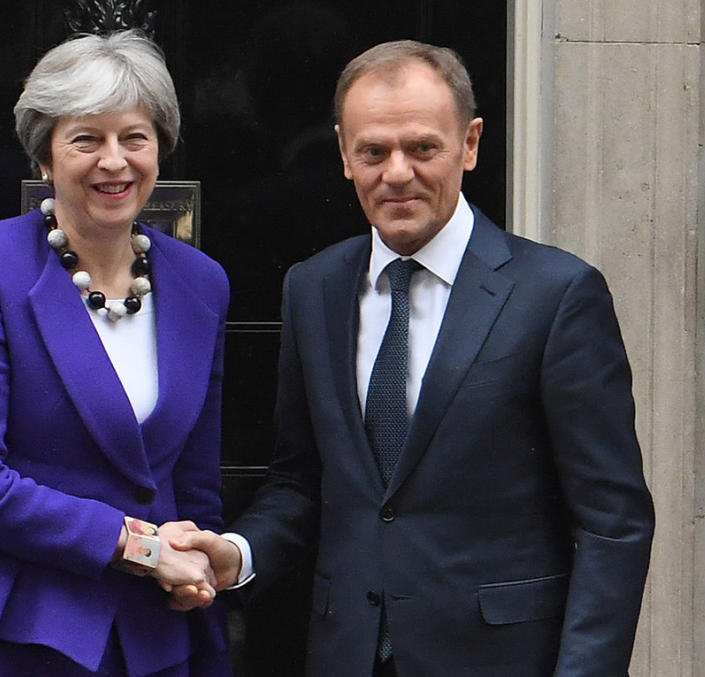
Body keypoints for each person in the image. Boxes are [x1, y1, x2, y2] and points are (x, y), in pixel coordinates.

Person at [173, 40, 656, 676]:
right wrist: (238, 553)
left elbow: (611, 522)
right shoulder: (313, 289)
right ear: (344, 152)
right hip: (344, 653)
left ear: (471, 144)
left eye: (423, 148)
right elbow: (302, 480)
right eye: (373, 151)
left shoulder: (557, 295)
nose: (396, 172)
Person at [0, 30, 231, 677]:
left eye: (134, 137)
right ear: (45, 158)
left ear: (160, 149)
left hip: (145, 637)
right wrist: (139, 546)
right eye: (86, 138)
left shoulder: (202, 282)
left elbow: (192, 486)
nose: (114, 161)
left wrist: (197, 566)